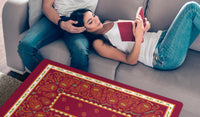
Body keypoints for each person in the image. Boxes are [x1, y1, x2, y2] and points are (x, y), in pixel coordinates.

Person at [69, 1, 200, 70]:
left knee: (194, 15)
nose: (96, 20)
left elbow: (139, 28)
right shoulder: (98, 43)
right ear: (84, 28)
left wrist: (144, 26)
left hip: (163, 38)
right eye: (91, 21)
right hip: (161, 56)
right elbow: (130, 61)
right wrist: (138, 39)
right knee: (191, 8)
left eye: (93, 15)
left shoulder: (107, 23)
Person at [17, 0, 98, 72]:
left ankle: (73, 86)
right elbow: (46, 7)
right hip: (55, 19)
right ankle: (48, 81)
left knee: (80, 51)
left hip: (79, 24)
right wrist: (61, 23)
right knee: (25, 46)